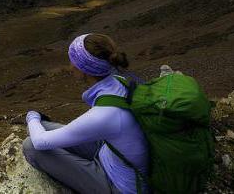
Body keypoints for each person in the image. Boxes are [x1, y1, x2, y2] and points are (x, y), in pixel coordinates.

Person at [22, 33, 148, 194]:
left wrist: (31, 116)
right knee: (41, 127)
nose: (69, 66)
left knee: (31, 145)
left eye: (72, 61)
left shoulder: (105, 114)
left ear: (83, 69)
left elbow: (40, 142)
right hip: (110, 153)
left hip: (120, 187)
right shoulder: (119, 82)